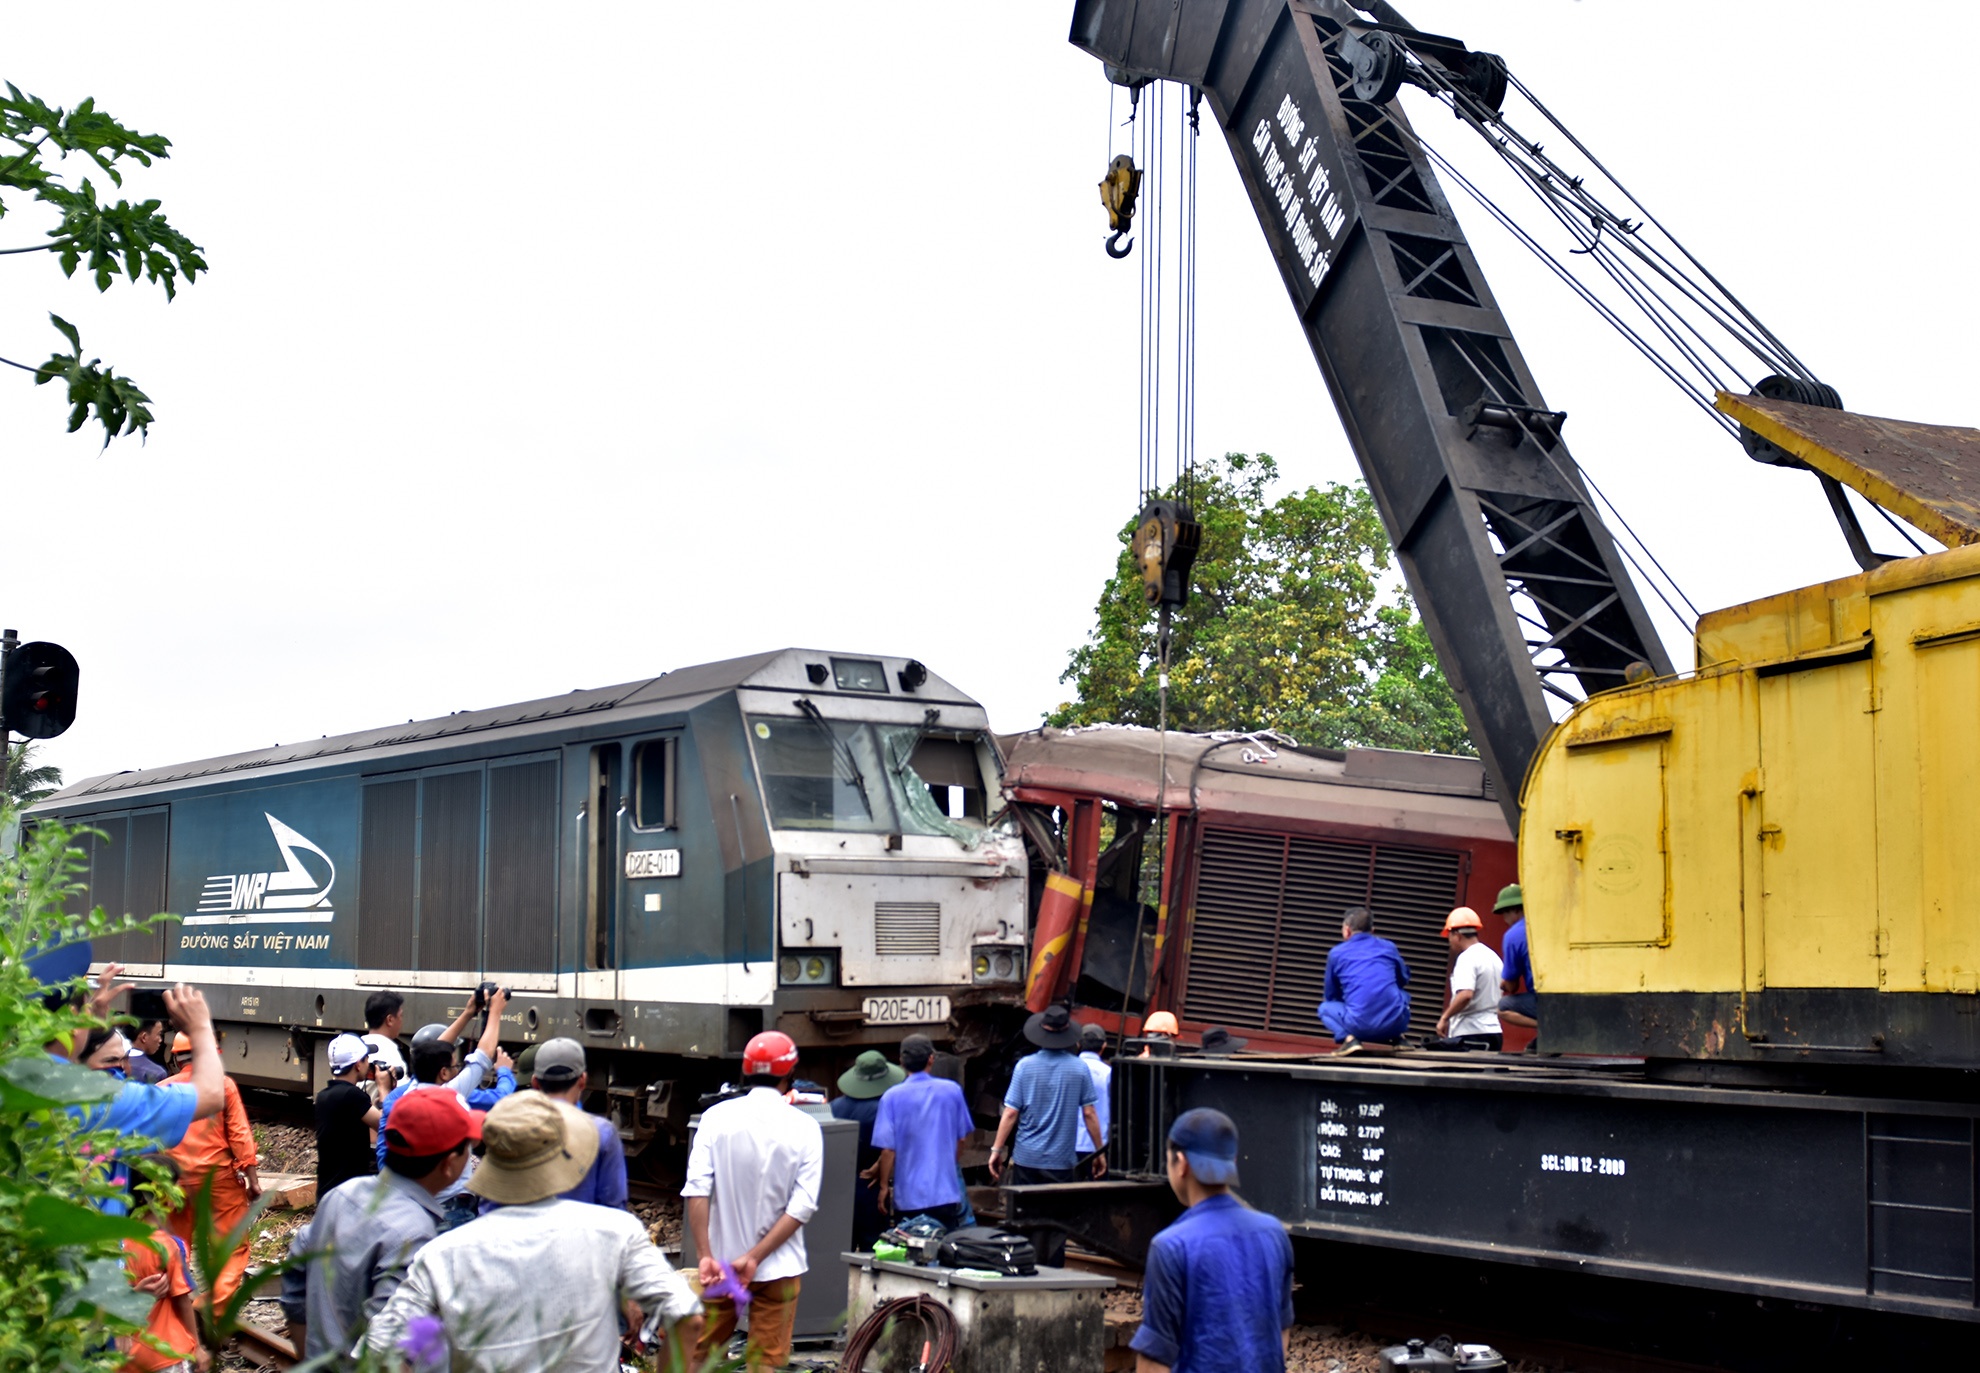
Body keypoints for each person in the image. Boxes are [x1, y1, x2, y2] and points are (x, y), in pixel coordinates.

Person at [368, 1093, 703, 1373]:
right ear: (560, 1159)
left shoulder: (441, 1255)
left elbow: (381, 1349)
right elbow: (685, 1314)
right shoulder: (616, 1232)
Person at [682, 1030, 823, 1373]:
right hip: (780, 1267)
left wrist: (705, 1255)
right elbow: (802, 1206)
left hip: (721, 1267)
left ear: (745, 1070)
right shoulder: (806, 1127)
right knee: (765, 1363)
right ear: (790, 1073)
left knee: (699, 1356)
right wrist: (755, 1257)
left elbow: (697, 1189)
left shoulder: (715, 1118)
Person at [305, 1089, 481, 1361]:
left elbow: (295, 1294)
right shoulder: (416, 1235)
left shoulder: (340, 1195)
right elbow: (386, 1350)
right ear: (448, 1165)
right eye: (467, 1147)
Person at [42, 965, 223, 1215]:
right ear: (73, 1021)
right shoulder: (99, 1100)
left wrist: (89, 1031)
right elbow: (211, 1094)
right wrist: (200, 1028)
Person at [1130, 1108, 1295, 1373]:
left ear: (1181, 1163)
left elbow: (1154, 1360)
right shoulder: (1274, 1233)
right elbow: (1280, 1334)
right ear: (1232, 1162)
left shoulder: (1170, 1246)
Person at [375, 988, 514, 1227]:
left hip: (409, 1199)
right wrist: (495, 1012)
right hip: (450, 1205)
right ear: (443, 1073)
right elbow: (483, 1055)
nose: (457, 1070)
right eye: (454, 1066)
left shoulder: (406, 1093)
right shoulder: (450, 1093)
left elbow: (432, 1053)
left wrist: (468, 1012)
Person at [989, 1004, 1105, 1266]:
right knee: (1055, 1226)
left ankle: (1021, 1268)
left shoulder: (1024, 1066)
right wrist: (1099, 1153)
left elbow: (1010, 1113)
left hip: (1027, 1160)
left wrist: (996, 1150)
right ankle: (1052, 1273)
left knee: (1023, 1221)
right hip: (1061, 1163)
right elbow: (1089, 1114)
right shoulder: (1079, 1069)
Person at [163, 1029, 263, 1312]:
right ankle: (210, 1311)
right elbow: (240, 1134)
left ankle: (175, 1311)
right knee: (232, 1248)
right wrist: (253, 1180)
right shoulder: (222, 1085)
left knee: (173, 1245)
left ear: (176, 1059)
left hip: (174, 1182)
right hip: (218, 1181)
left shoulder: (163, 1089)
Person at [477, 1038, 627, 1214]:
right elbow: (614, 1207)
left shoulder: (507, 1126)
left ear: (535, 1083)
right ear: (582, 1081)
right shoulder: (603, 1133)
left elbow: (489, 1207)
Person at [870, 1033, 973, 1229]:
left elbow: (888, 1150)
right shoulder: (952, 1090)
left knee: (910, 1245)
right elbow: (961, 1139)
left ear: (901, 1062)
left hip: (908, 1197)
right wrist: (947, 1166)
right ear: (931, 1059)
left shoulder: (891, 1097)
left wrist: (884, 1187)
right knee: (943, 1244)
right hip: (945, 1194)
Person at [121, 1161, 209, 1373]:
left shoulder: (117, 1242)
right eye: (173, 1187)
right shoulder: (168, 1246)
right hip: (167, 1352)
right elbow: (182, 1301)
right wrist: (197, 1348)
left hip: (126, 1356)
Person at [832, 1047, 904, 1248]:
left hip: (839, 1186)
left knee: (840, 1246)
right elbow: (890, 1147)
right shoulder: (884, 1108)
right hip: (871, 1185)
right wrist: (883, 1181)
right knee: (872, 1248)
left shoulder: (835, 1107)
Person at [1317, 905, 1413, 1051]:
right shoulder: (1389, 947)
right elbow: (1403, 979)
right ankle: (1399, 1039)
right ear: (1372, 931)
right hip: (1393, 1024)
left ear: (1347, 930)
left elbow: (1331, 994)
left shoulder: (1337, 953)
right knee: (1402, 996)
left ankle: (1350, 1041)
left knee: (1324, 1008)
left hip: (1358, 1026)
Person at [315, 1033, 381, 1199]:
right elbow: (386, 1125)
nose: (369, 1063)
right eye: (366, 1058)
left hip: (327, 1189)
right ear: (358, 1064)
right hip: (349, 1192)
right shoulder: (352, 1095)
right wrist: (385, 1089)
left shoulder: (323, 1096)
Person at [1435, 907, 1504, 1050]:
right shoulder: (1493, 957)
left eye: (1449, 937)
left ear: (1457, 935)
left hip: (1471, 1033)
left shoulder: (1466, 958)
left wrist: (1445, 1017)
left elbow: (1465, 994)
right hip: (1494, 1031)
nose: (1450, 943)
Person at [1496, 884, 1538, 1033]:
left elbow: (1512, 986)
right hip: (1573, 994)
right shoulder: (1544, 925)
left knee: (1503, 1007)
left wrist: (1504, 984)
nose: (1504, 919)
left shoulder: (1513, 935)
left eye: (1504, 913)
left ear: (1515, 910)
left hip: (1543, 999)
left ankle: (1546, 1027)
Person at [1075, 1024, 1112, 1166]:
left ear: (1078, 1044)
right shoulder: (1108, 1073)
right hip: (1098, 1146)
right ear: (1104, 1046)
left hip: (1067, 1145)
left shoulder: (1067, 1070)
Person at [362, 989, 409, 1089]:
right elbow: (402, 1093)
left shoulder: (356, 1047)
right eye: (400, 1016)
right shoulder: (390, 1053)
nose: (402, 1020)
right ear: (390, 1020)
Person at [126, 1018, 172, 1085]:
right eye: (159, 1034)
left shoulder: (114, 1064)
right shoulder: (157, 1073)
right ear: (144, 1037)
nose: (160, 1040)